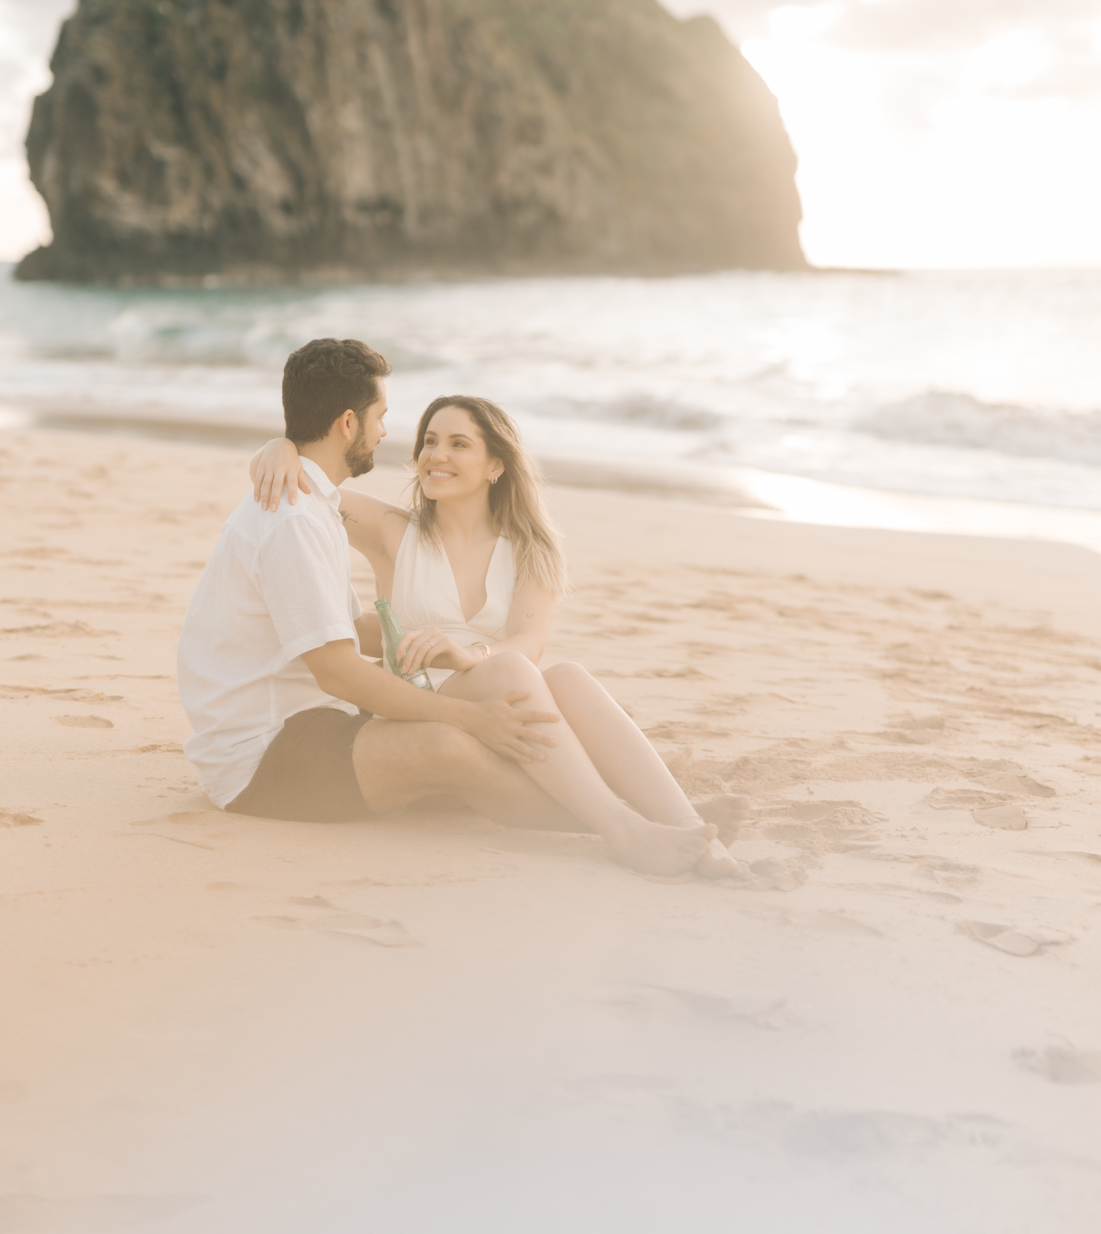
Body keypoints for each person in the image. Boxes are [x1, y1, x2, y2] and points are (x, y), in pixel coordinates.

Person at [178, 337, 743, 878]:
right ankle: (627, 822)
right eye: (419, 435)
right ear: (349, 422)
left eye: (457, 443)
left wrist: (460, 651)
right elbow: (306, 489)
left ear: (497, 464)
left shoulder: (524, 549)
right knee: (484, 708)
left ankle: (678, 821)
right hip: (326, 726)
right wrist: (278, 447)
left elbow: (352, 625)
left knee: (561, 675)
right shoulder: (362, 525)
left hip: (420, 696)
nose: (412, 445)